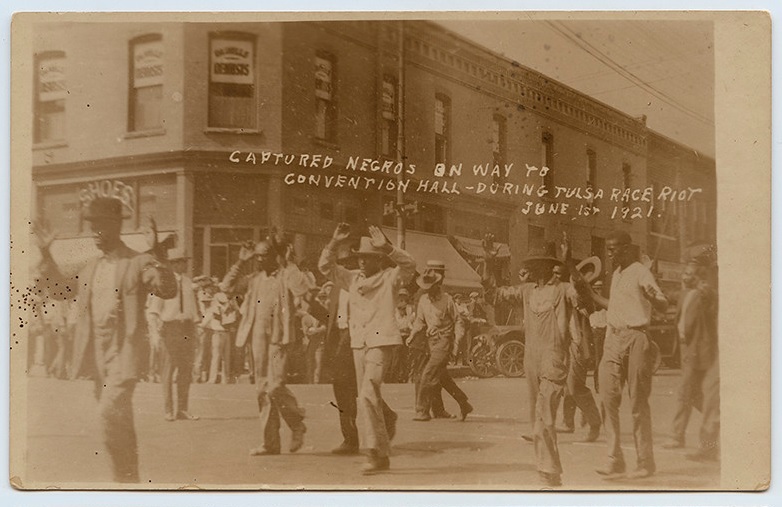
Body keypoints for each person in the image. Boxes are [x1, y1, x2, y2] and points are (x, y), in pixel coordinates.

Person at [33, 198, 177, 482]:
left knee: (110, 413)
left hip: (124, 352)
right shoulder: (90, 267)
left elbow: (167, 289)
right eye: (92, 227)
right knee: (119, 423)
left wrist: (158, 253)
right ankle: (127, 482)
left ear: (115, 226)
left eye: (100, 227)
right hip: (97, 356)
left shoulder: (139, 261)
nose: (95, 233)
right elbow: (60, 291)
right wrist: (46, 253)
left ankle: (125, 482)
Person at [483, 232, 586, 487]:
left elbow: (581, 292)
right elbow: (493, 294)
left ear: (546, 267)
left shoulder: (563, 290)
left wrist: (569, 261)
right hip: (531, 359)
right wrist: (488, 260)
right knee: (537, 418)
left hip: (553, 358)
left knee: (544, 416)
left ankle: (547, 472)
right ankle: (551, 472)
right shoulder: (527, 292)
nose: (527, 270)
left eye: (532, 266)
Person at [319, 223, 415, 474]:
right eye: (359, 257)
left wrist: (389, 248)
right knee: (366, 396)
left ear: (378, 260)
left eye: (368, 258)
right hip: (358, 343)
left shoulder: (390, 278)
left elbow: (410, 266)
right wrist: (333, 242)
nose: (362, 262)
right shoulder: (351, 278)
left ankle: (375, 453)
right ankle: (380, 453)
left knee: (368, 393)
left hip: (381, 341)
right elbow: (325, 267)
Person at [221, 234, 312, 455]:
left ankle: (297, 423)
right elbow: (227, 287)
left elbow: (302, 289)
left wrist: (289, 263)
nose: (260, 260)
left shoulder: (285, 276)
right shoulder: (254, 279)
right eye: (257, 256)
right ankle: (270, 443)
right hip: (257, 339)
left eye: (264, 256)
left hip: (279, 339)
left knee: (275, 386)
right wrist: (241, 261)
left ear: (275, 256)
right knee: (262, 390)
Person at [589, 230, 669, 480]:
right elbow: (614, 306)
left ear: (626, 248)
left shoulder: (640, 271)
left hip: (636, 337)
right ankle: (615, 460)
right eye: (609, 250)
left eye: (614, 250)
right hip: (613, 339)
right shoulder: (616, 274)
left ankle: (645, 462)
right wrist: (584, 288)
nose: (610, 254)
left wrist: (654, 296)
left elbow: (662, 303)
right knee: (608, 399)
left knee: (637, 403)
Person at [661, 262, 719, 460]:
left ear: (699, 277)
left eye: (690, 274)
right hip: (687, 349)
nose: (685, 277)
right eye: (684, 273)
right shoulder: (684, 294)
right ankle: (721, 424)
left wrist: (705, 290)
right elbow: (669, 295)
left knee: (685, 392)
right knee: (696, 395)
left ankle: (676, 435)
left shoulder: (703, 294)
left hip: (700, 350)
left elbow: (709, 299)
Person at [408, 269, 473, 422]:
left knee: (428, 373)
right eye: (426, 287)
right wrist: (412, 335)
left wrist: (456, 343)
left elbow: (458, 321)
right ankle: (464, 403)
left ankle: (422, 411)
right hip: (430, 342)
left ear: (438, 285)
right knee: (442, 378)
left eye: (431, 286)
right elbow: (419, 320)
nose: (428, 290)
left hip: (444, 341)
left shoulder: (447, 300)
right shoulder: (423, 300)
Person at [147, 248, 200, 422]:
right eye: (182, 261)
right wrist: (155, 334)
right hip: (170, 329)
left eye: (185, 261)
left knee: (185, 370)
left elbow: (192, 308)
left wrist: (195, 327)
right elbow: (154, 311)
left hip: (186, 329)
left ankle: (182, 409)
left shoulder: (187, 282)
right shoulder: (163, 282)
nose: (185, 264)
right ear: (174, 264)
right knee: (168, 371)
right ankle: (168, 410)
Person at [558, 257, 603, 442]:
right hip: (564, 344)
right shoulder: (564, 292)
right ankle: (567, 422)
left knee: (575, 387)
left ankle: (594, 422)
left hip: (578, 345)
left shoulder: (584, 296)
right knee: (566, 387)